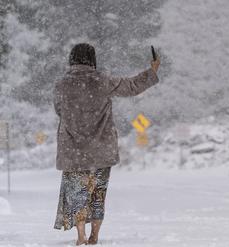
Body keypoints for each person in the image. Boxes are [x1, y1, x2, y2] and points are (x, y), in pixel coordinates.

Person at [53, 43, 160, 245]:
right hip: (101, 149)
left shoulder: (61, 85)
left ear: (72, 59)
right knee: (97, 193)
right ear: (92, 59)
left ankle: (81, 236)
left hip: (73, 151)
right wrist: (152, 71)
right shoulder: (103, 81)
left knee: (77, 193)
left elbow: (59, 110)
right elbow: (132, 86)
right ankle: (95, 235)